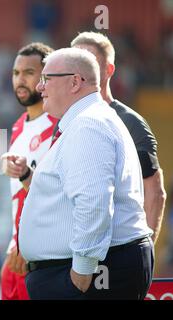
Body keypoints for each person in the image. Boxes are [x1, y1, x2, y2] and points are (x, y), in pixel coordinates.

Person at [18, 47, 154, 299]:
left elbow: (93, 202)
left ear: (75, 82)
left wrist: (81, 272)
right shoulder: (88, 121)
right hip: (90, 270)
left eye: (47, 78)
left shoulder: (88, 125)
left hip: (90, 275)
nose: (39, 87)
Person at [71, 32, 167, 243]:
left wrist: (145, 250)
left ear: (109, 70)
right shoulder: (63, 123)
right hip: (74, 251)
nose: (80, 70)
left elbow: (155, 192)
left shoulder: (130, 122)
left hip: (117, 253)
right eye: (75, 62)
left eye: (90, 62)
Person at [0, 42, 56, 300]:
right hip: (16, 255)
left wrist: (26, 246)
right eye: (15, 73)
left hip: (40, 257)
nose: (20, 80)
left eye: (28, 73)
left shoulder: (60, 124)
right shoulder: (18, 126)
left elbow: (54, 195)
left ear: (46, 77)